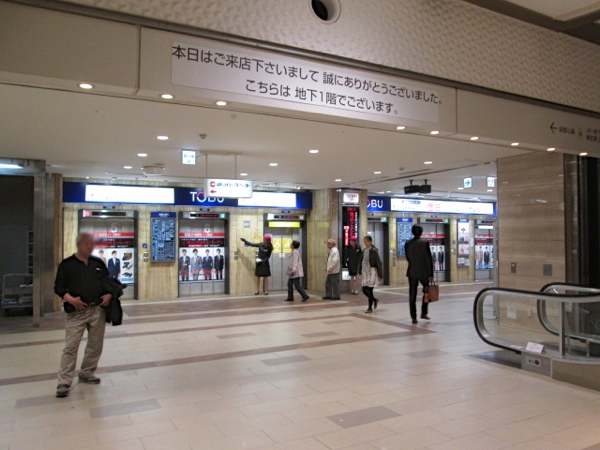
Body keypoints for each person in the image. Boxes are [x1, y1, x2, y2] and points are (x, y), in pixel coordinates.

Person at [54, 232, 112, 398]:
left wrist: (109, 295)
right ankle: (64, 381)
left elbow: (108, 283)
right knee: (71, 347)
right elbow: (59, 287)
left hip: (97, 310)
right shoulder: (67, 265)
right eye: (86, 243)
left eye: (91, 244)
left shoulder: (98, 263)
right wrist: (71, 300)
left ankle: (87, 372)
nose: (90, 246)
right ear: (79, 244)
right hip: (77, 312)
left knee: (95, 344)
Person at [405, 225, 434, 324]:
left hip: (412, 271)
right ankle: (424, 312)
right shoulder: (425, 243)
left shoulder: (407, 244)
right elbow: (428, 259)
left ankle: (413, 317)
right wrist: (431, 273)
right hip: (424, 272)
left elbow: (408, 257)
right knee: (427, 292)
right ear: (421, 232)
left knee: (412, 295)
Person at [359, 235, 383, 313]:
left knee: (370, 289)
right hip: (364, 271)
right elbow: (361, 261)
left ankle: (369, 308)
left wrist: (380, 275)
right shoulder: (364, 250)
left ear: (370, 241)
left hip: (371, 270)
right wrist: (359, 271)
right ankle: (374, 300)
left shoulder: (374, 251)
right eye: (364, 241)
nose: (365, 243)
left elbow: (378, 263)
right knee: (364, 289)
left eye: (366, 241)